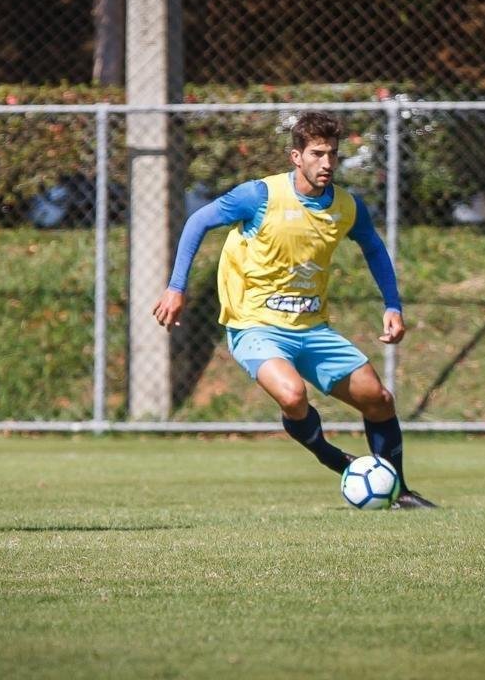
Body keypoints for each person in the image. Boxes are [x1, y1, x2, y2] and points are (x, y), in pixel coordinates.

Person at [152, 111, 435, 508]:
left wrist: (392, 304)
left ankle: (400, 491)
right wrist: (176, 287)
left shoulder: (347, 206)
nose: (327, 163)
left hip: (312, 328)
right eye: (317, 153)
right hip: (255, 325)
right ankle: (333, 458)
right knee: (292, 396)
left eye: (333, 154)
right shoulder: (259, 196)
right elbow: (198, 220)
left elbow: (373, 246)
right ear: (295, 156)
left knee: (379, 399)